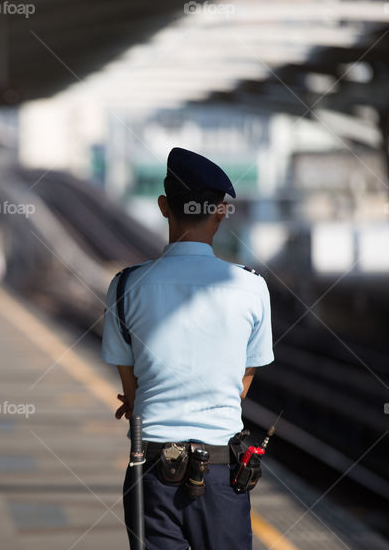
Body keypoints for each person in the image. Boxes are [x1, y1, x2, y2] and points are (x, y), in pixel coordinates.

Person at [103, 147, 274, 550]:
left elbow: (132, 389)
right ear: (220, 212)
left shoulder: (125, 287)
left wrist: (141, 398)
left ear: (164, 207)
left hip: (151, 472)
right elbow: (240, 384)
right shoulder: (251, 288)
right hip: (222, 476)